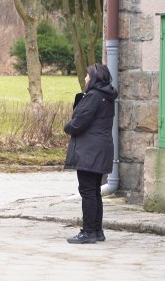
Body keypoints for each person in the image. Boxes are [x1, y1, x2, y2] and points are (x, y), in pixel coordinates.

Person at [64, 63, 118, 244]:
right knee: (94, 191)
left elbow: (79, 123)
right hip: (101, 148)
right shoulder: (107, 96)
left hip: (89, 150)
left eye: (87, 75)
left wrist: (68, 126)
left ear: (94, 77)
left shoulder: (94, 96)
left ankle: (88, 232)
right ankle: (97, 231)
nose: (86, 78)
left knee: (87, 191)